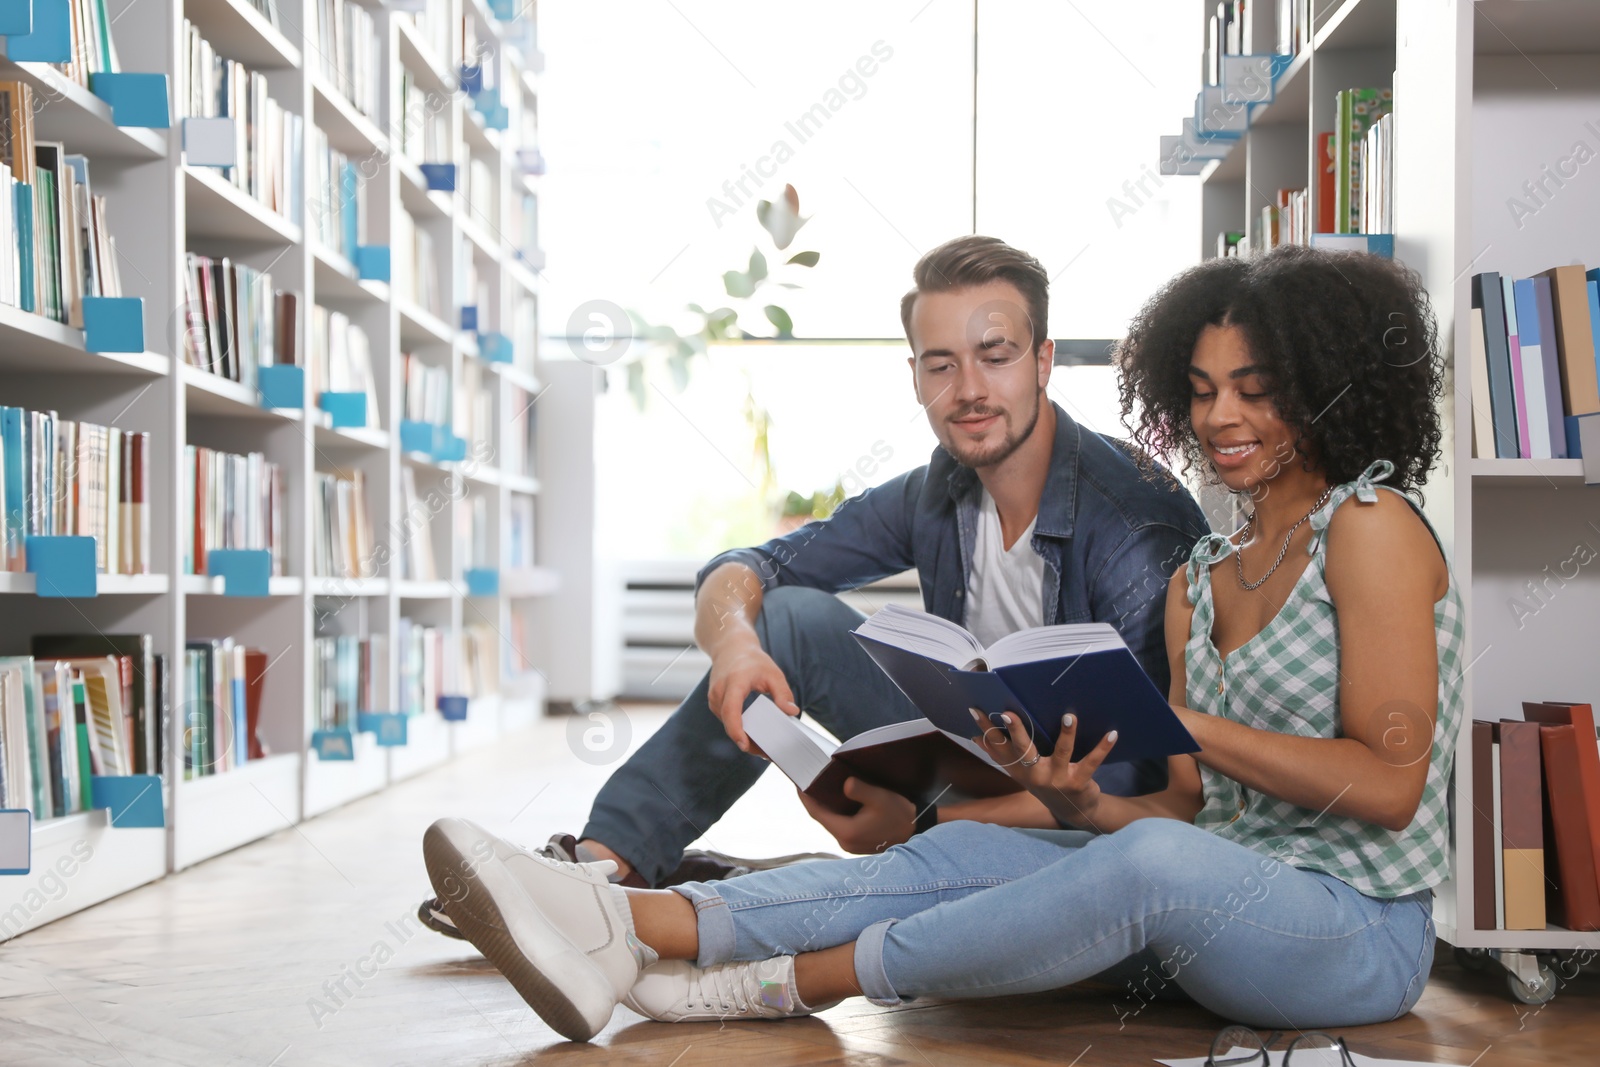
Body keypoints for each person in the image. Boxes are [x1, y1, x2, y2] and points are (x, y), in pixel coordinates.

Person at [420, 244, 1463, 1042]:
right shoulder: (1207, 572)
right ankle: (638, 915)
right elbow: (1179, 803)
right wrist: (1066, 795)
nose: (1222, 416)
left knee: (1125, 854)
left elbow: (1387, 786)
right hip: (1197, 890)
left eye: (1256, 386)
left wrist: (1170, 734)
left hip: (1353, 928)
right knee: (974, 848)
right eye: (1200, 389)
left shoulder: (1363, 527)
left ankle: (775, 976)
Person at [418, 236, 1209, 934]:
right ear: (916, 376)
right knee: (786, 619)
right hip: (978, 759)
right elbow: (751, 569)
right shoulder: (938, 489)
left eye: (995, 355)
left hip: (1084, 807)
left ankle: (708, 898)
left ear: (1042, 359)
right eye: (942, 363)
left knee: (954, 866)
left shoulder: (1132, 523)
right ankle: (603, 866)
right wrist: (732, 645)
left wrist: (926, 820)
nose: (969, 388)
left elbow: (1143, 784)